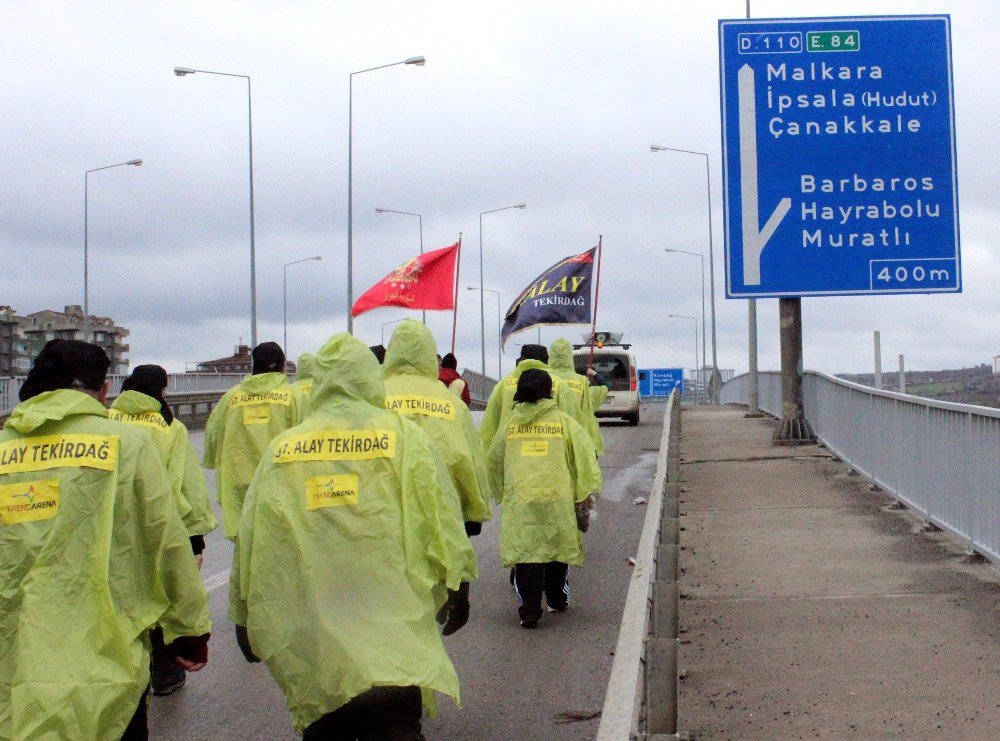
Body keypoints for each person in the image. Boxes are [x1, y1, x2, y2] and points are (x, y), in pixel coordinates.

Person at [229, 333, 475, 738]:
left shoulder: (282, 449)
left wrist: (243, 613)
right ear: (370, 378)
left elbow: (253, 537)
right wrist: (458, 584)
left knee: (327, 721)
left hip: (317, 633)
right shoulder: (406, 440)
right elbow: (442, 519)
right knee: (395, 723)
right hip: (392, 621)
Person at [0, 340, 210, 740]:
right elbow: (165, 543)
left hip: (14, 665)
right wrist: (187, 631)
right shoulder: (126, 445)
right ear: (100, 391)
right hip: (104, 665)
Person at [109, 364, 217, 696]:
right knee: (163, 595)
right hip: (161, 525)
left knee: (121, 599)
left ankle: (124, 674)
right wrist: (195, 537)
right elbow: (189, 486)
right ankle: (165, 671)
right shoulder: (171, 428)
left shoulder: (104, 423)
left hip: (114, 528)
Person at [487, 369, 601, 628]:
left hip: (522, 498)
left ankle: (529, 611)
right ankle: (557, 599)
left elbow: (493, 461)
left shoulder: (510, 426)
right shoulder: (564, 423)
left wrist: (501, 490)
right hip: (556, 496)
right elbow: (584, 460)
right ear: (550, 391)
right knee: (557, 547)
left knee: (527, 553)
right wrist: (585, 493)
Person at [383, 320, 492, 536]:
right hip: (443, 508)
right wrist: (475, 508)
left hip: (386, 513)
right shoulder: (453, 405)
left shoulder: (373, 396)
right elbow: (471, 458)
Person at [203, 341, 303, 539]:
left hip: (238, 481)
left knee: (246, 543)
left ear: (254, 365)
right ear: (283, 366)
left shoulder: (231, 397)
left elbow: (212, 434)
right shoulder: (294, 398)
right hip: (281, 481)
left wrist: (214, 460)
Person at [478, 343, 581, 451]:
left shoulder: (503, 384)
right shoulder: (559, 384)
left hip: (511, 448)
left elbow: (490, 424)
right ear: (546, 360)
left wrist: (488, 455)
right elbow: (572, 419)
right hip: (552, 450)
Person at [548, 338, 605, 457]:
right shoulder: (581, 381)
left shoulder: (544, 378)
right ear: (570, 356)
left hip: (552, 435)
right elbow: (605, 387)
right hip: (578, 436)